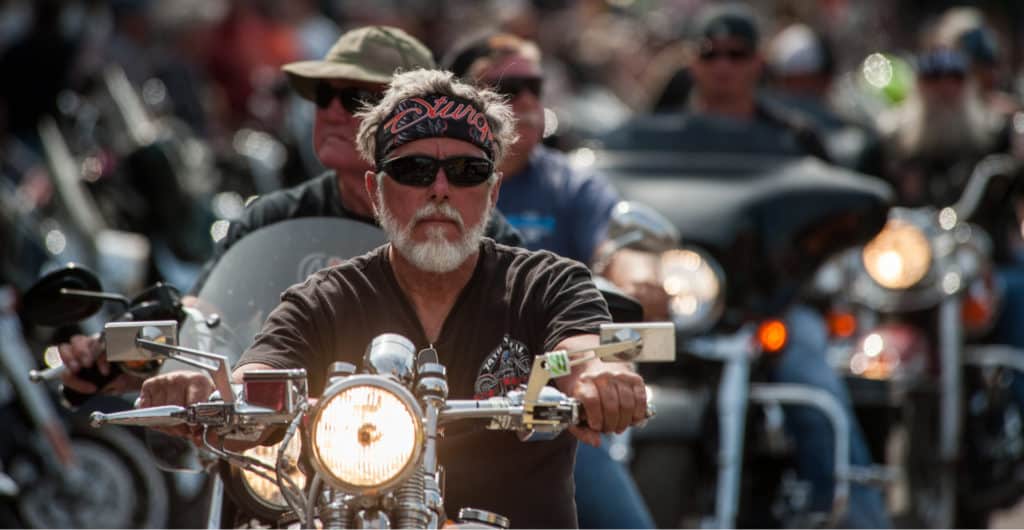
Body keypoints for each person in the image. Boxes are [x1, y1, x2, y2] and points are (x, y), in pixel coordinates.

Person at [137, 68, 650, 529]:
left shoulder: (549, 282)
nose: (441, 190)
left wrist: (602, 380)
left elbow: (581, 351)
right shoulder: (322, 300)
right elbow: (261, 380)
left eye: (467, 172)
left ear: (493, 194)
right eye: (414, 170)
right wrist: (206, 395)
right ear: (376, 190)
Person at [56, 25, 522, 395]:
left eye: (358, 98)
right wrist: (126, 356)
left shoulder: (467, 224)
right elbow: (206, 313)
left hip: (435, 456)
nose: (334, 112)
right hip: (282, 458)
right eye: (325, 96)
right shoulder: (274, 217)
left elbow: (527, 331)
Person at [610, 4, 890, 527]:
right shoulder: (647, 133)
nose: (723, 66)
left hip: (770, 304)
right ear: (691, 61)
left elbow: (825, 212)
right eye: (710, 53)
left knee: (812, 382)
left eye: (736, 54)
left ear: (757, 63)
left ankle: (862, 515)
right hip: (671, 303)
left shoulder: (795, 137)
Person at [443, 32, 656, 529]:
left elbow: (620, 243)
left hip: (542, 404)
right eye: (506, 86)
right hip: (423, 405)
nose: (527, 101)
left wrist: (640, 279)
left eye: (534, 86)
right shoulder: (421, 180)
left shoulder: (568, 183)